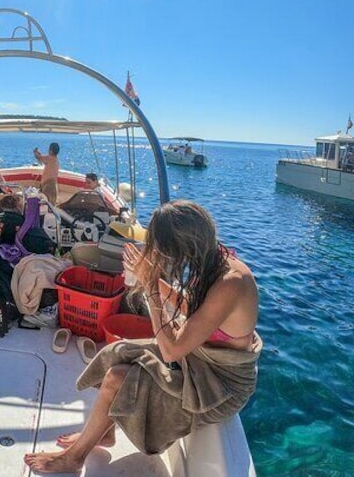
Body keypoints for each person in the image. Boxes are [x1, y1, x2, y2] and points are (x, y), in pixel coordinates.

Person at [24, 200, 261, 474]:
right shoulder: (212, 262)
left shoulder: (230, 282)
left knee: (117, 378)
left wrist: (150, 287)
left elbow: (173, 351)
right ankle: (104, 434)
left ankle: (74, 458)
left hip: (219, 384)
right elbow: (192, 308)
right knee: (120, 351)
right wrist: (153, 279)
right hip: (197, 360)